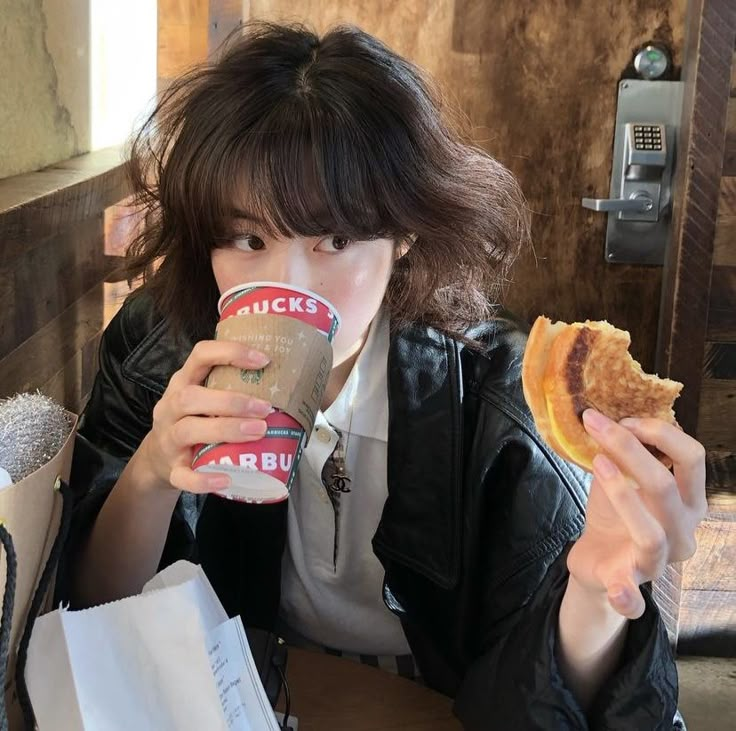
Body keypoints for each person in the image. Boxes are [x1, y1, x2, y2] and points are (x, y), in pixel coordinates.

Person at [58, 20, 706, 729]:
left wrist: (594, 589)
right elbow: (92, 617)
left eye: (335, 239)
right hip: (256, 685)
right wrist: (152, 469)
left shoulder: (501, 404)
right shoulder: (158, 350)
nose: (289, 280)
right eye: (248, 238)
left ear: (403, 235)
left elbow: (547, 699)